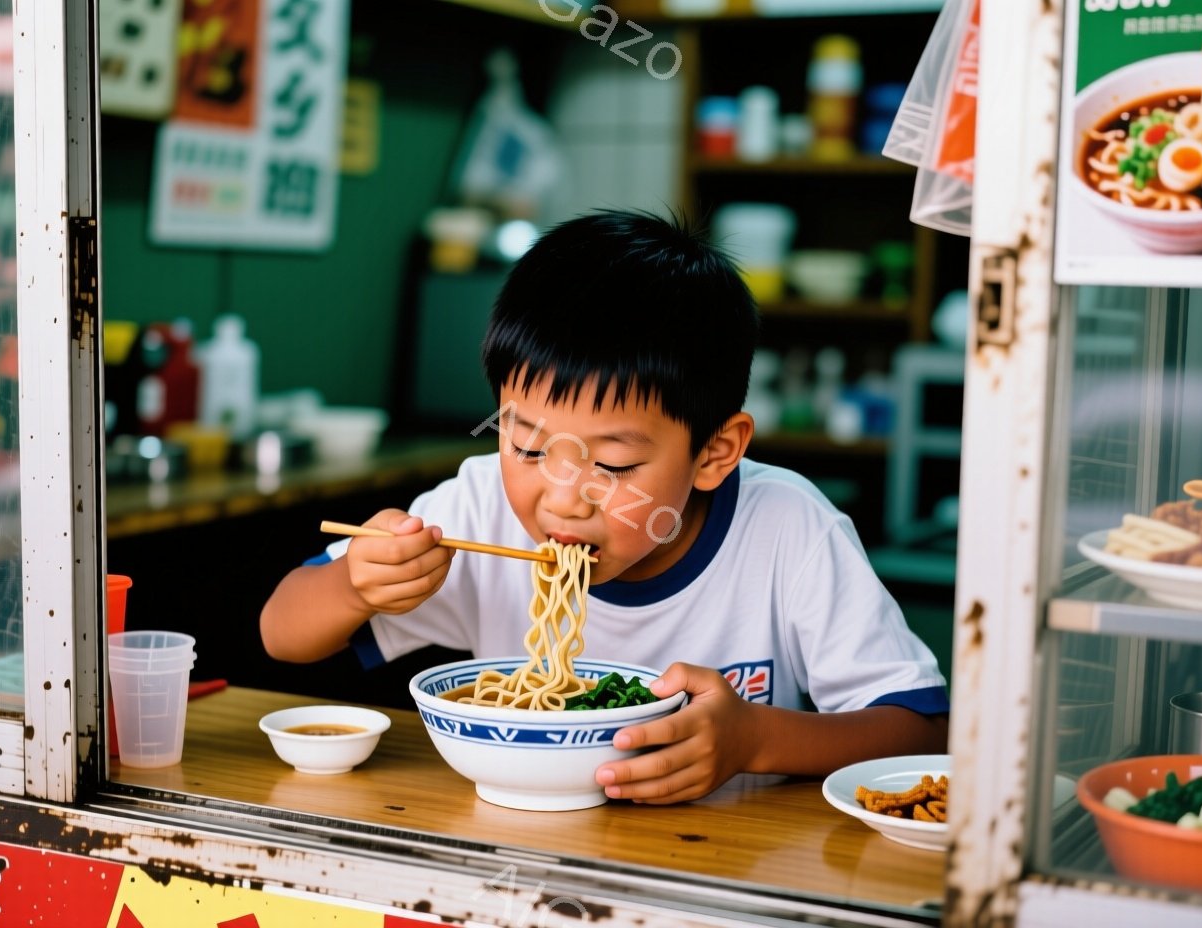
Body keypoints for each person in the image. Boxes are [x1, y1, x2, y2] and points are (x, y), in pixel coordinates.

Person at [262, 210, 947, 804]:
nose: (561, 498)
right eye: (527, 447)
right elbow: (283, 632)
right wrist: (358, 583)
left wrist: (758, 739)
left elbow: (921, 731)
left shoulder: (788, 529)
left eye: (613, 465)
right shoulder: (476, 506)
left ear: (715, 451)